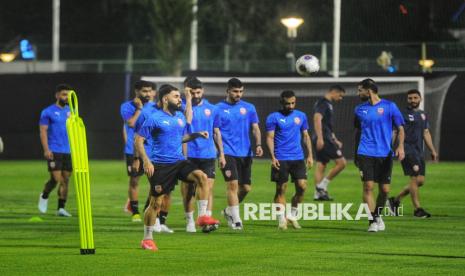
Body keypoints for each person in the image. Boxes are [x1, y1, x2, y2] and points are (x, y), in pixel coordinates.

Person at [135, 84, 219, 251]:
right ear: (165, 99)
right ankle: (147, 238)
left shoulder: (179, 117)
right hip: (160, 165)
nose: (179, 99)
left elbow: (180, 138)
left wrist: (196, 134)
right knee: (156, 203)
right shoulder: (154, 118)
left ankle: (202, 216)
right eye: (176, 96)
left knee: (202, 177)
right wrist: (146, 161)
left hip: (179, 162)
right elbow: (138, 140)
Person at [354, 79, 405, 232]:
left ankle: (377, 215)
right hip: (365, 152)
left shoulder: (390, 106)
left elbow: (400, 128)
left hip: (385, 153)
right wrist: (355, 154)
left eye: (360, 90)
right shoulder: (359, 109)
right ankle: (372, 221)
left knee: (384, 190)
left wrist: (400, 146)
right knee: (368, 187)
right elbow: (358, 132)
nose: (358, 93)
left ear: (368, 90)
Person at [180, 77, 226, 233]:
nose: (195, 95)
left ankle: (206, 220)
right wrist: (187, 99)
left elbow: (216, 132)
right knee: (188, 190)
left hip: (208, 154)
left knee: (207, 187)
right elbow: (186, 122)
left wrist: (222, 154)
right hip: (189, 154)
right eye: (192, 93)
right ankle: (189, 221)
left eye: (198, 92)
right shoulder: (181, 107)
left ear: (203, 91)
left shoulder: (213, 109)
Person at [216, 78, 263, 230]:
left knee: (246, 188)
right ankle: (236, 220)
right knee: (232, 185)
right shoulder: (218, 109)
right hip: (227, 151)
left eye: (241, 91)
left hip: (245, 152)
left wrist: (258, 144)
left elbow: (255, 128)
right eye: (235, 91)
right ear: (227, 91)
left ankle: (229, 211)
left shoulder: (249, 108)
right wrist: (221, 154)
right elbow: (215, 132)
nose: (239, 94)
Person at [266, 90, 313, 230]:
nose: (291, 106)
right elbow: (269, 137)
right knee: (281, 189)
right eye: (288, 104)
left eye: (293, 103)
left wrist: (310, 155)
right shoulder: (273, 117)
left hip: (298, 158)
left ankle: (292, 215)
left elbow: (305, 136)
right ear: (282, 102)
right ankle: (281, 220)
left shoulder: (301, 116)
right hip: (281, 158)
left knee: (302, 187)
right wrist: (273, 157)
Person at [388, 89, 438, 218]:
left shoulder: (422, 114)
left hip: (418, 151)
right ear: (407, 100)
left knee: (420, 181)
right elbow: (395, 131)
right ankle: (417, 209)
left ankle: (395, 200)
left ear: (420, 99)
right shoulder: (402, 114)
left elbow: (426, 133)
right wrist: (391, 147)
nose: (413, 100)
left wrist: (432, 150)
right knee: (414, 178)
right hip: (407, 150)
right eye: (410, 98)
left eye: (415, 98)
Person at [120, 80, 154, 222]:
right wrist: (139, 109)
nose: (147, 94)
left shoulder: (155, 107)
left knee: (156, 183)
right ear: (137, 92)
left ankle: (148, 208)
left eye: (149, 91)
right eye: (144, 91)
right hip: (133, 151)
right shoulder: (127, 107)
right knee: (134, 181)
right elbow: (131, 123)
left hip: (153, 151)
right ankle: (135, 212)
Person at [37, 84, 73, 217]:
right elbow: (43, 131)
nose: (66, 97)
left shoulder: (71, 112)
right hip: (54, 149)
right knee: (55, 179)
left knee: (66, 180)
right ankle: (45, 195)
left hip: (68, 150)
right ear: (57, 95)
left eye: (68, 95)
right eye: (64, 94)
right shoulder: (47, 112)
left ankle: (61, 208)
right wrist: (46, 149)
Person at [312, 85, 347, 201]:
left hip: (326, 136)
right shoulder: (323, 102)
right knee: (342, 163)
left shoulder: (328, 104)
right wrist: (320, 138)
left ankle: (318, 194)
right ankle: (321, 186)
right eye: (340, 95)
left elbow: (327, 125)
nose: (340, 98)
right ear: (334, 92)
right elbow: (317, 119)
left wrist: (335, 139)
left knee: (321, 164)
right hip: (324, 138)